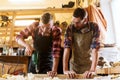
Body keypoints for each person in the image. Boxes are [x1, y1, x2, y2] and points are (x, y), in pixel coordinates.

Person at [16, 12, 62, 77]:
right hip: (34, 60)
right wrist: (27, 45)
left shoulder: (56, 31)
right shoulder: (34, 26)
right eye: (42, 27)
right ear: (40, 23)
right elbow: (18, 37)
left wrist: (54, 70)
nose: (44, 31)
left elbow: (56, 52)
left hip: (48, 63)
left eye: (48, 28)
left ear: (52, 24)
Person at [63, 8, 100, 78]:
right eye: (73, 21)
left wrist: (92, 70)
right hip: (74, 66)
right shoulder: (70, 28)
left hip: (88, 66)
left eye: (77, 22)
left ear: (85, 20)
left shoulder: (94, 27)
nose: (74, 24)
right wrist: (65, 70)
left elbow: (95, 49)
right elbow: (67, 48)